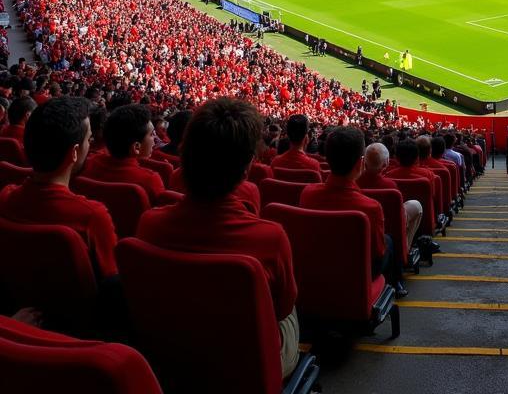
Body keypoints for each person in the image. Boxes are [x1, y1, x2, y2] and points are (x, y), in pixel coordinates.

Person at [136, 98, 300, 379]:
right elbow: (282, 308)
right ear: (248, 167)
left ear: (186, 154)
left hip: (171, 356)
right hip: (249, 364)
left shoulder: (149, 224)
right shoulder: (270, 238)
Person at [0, 95, 118, 280]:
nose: (91, 144)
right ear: (74, 153)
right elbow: (112, 282)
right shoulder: (92, 216)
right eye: (89, 139)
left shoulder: (6, 196)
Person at [300, 127, 405, 297]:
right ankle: (395, 284)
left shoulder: (307, 194)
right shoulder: (371, 207)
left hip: (315, 277)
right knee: (389, 242)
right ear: (360, 164)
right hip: (355, 284)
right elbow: (378, 254)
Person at [83, 103, 164, 201]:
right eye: (151, 134)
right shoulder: (150, 180)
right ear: (136, 147)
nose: (155, 139)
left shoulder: (87, 163)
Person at [357, 141, 422, 256]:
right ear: (386, 163)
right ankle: (405, 248)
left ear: (364, 162)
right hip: (386, 227)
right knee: (416, 205)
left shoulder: (355, 182)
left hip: (362, 228)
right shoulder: (389, 185)